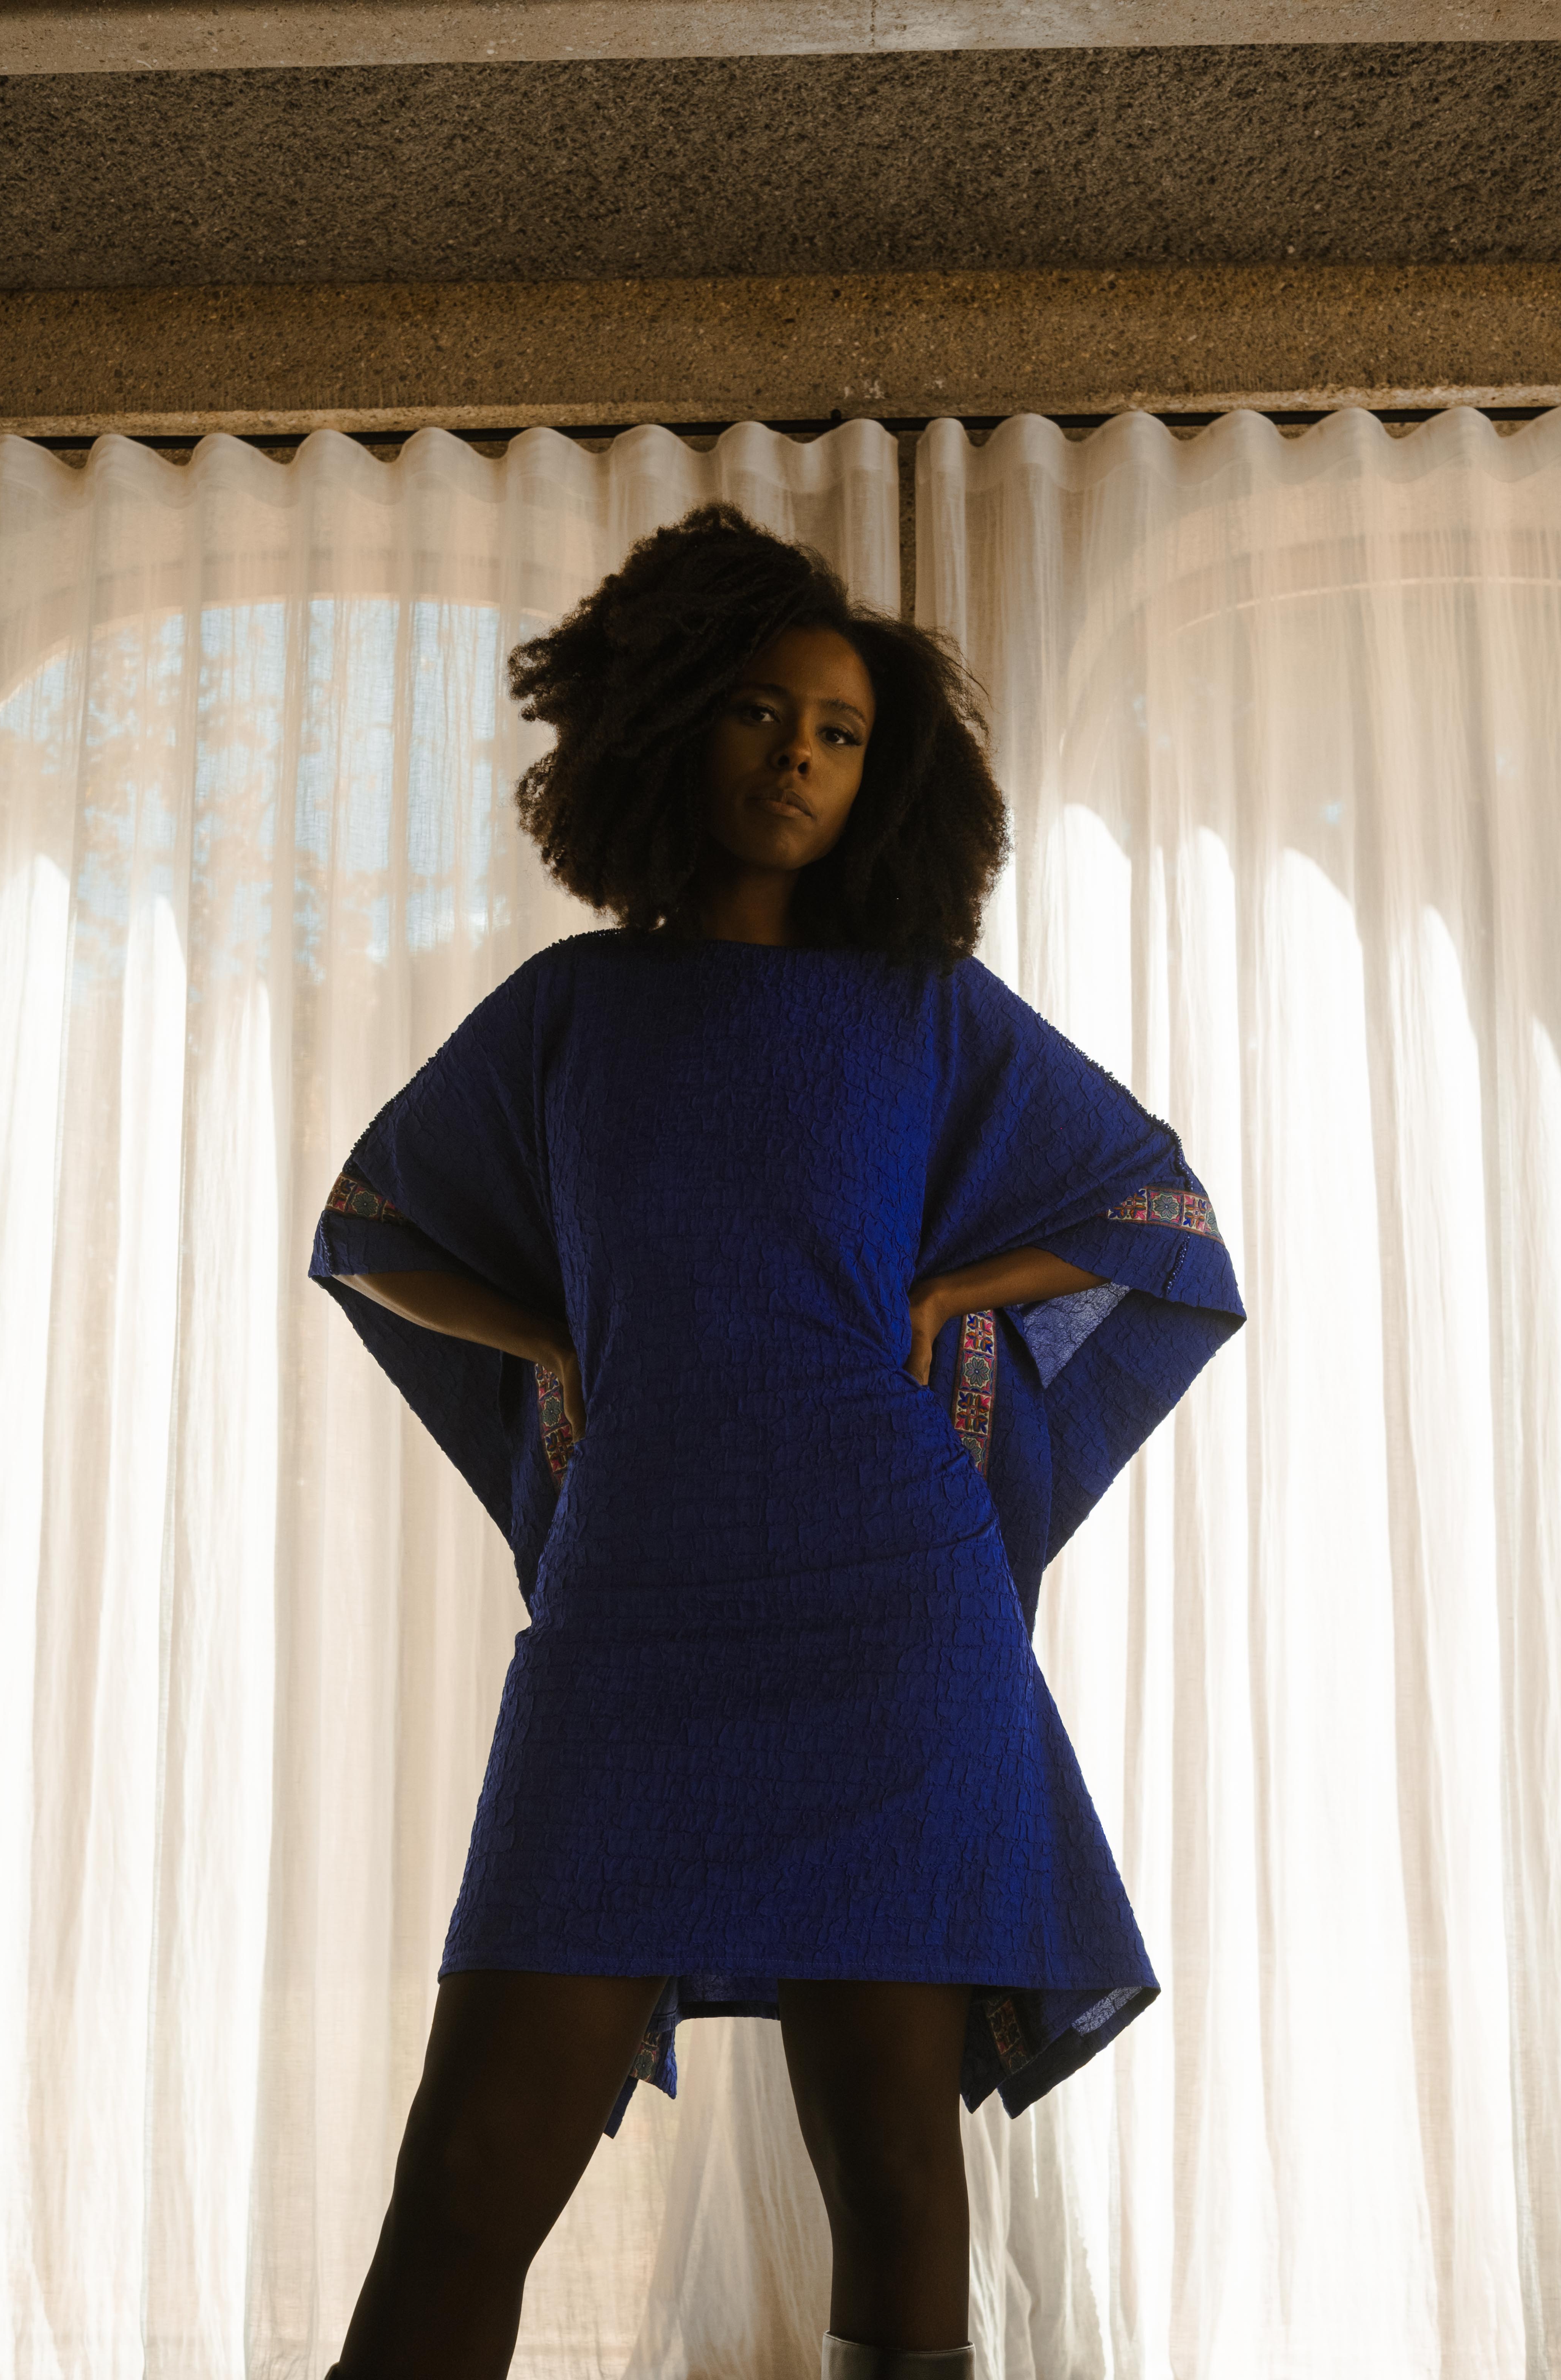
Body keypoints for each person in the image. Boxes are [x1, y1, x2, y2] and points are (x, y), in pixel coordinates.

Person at [309, 502, 1245, 2380]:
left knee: (890, 2165)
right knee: (471, 2170)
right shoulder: (571, 1010)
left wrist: (945, 1290)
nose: (797, 758)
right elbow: (371, 1228)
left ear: (885, 776)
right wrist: (561, 1332)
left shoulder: (923, 1010)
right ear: (668, 728)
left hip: (891, 1617)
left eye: (838, 732)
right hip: (633, 1616)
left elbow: (1160, 1216)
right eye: (758, 713)